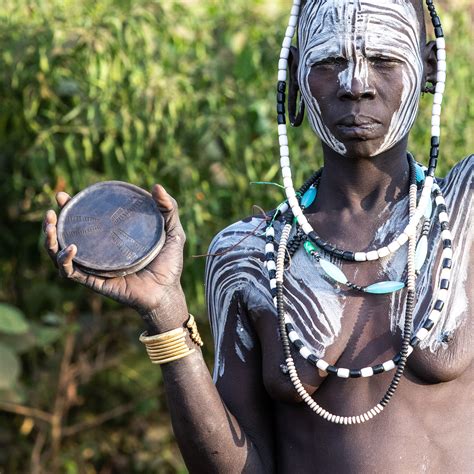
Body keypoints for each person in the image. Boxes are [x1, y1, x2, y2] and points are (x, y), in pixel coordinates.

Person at [44, 0, 473, 472]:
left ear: (430, 66)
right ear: (293, 74)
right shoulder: (249, 255)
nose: (356, 86)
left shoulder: (464, 216)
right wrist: (165, 313)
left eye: (384, 61)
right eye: (329, 62)